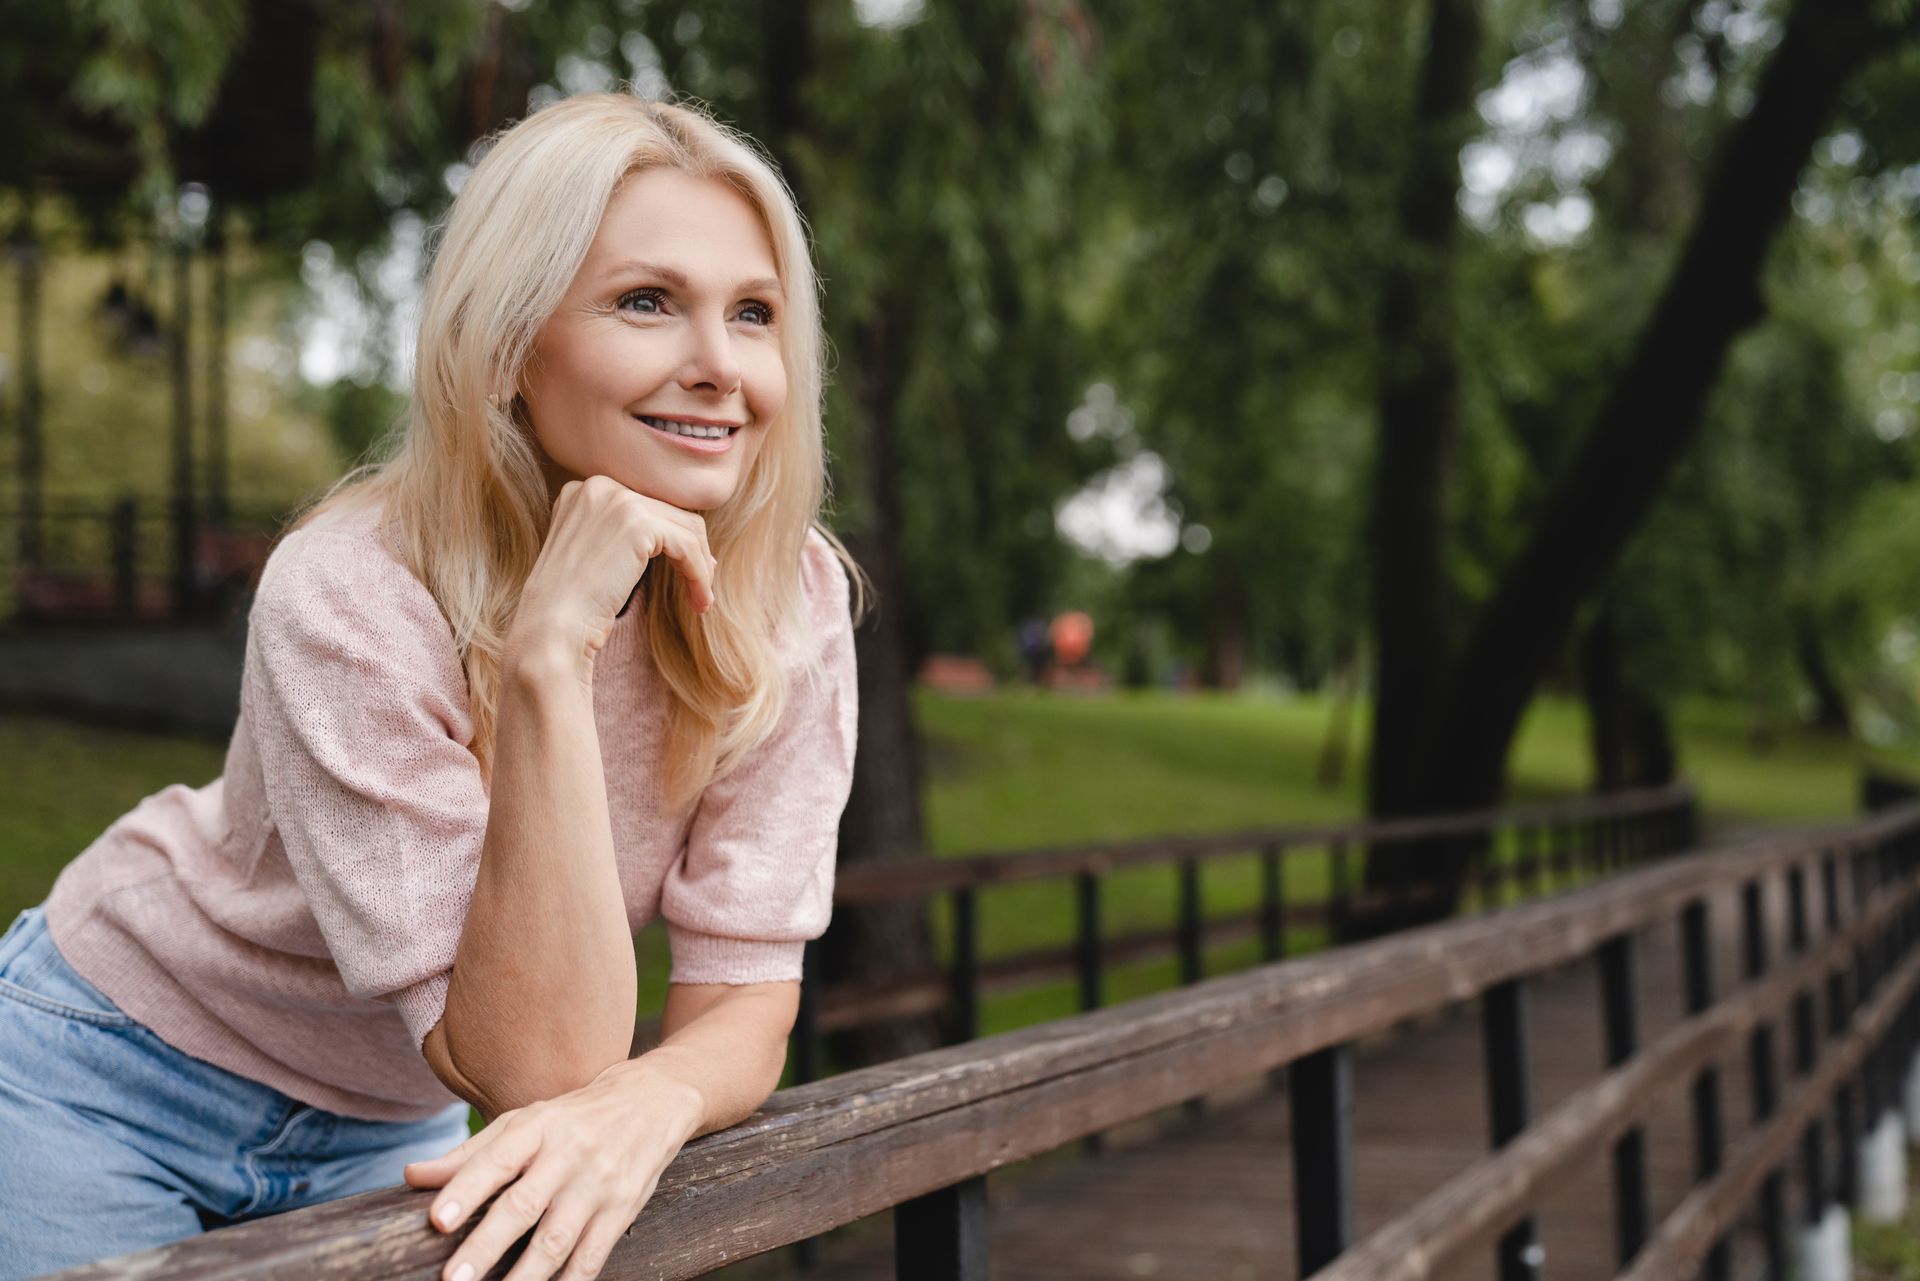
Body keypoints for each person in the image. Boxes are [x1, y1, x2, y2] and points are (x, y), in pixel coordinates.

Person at [0, 91, 864, 1281]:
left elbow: (732, 1007)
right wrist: (548, 659)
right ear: (509, 345)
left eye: (754, 313)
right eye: (646, 302)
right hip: (109, 1072)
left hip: (395, 1122)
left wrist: (645, 1104)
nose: (718, 366)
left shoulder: (788, 600)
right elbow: (538, 1073)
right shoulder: (349, 589)